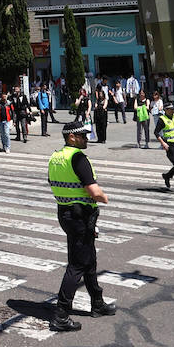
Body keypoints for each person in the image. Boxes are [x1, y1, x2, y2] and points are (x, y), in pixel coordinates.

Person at [46, 120, 116, 332]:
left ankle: (97, 303)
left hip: (65, 213)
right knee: (77, 264)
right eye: (83, 136)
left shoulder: (56, 157)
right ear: (72, 137)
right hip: (80, 217)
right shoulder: (78, 158)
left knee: (89, 260)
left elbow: (53, 182)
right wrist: (104, 198)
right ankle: (61, 314)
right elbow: (94, 192)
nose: (87, 139)